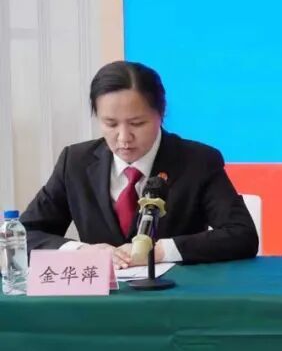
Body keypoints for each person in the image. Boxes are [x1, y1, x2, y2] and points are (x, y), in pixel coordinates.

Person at [21, 61, 259, 267]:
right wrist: (80, 251)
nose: (124, 138)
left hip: (172, 296)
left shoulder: (197, 161)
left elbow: (242, 235)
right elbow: (24, 234)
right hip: (99, 299)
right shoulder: (75, 162)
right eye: (111, 124)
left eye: (137, 123)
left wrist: (161, 251)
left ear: (161, 114)